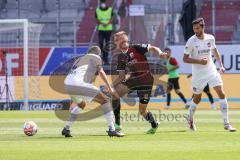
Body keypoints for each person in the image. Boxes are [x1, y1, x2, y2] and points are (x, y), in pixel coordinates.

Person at [183, 18, 236, 132]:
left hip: (211, 70)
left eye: (197, 28)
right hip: (198, 74)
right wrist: (199, 62)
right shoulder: (191, 41)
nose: (195, 30)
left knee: (221, 93)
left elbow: (215, 51)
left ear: (203, 27)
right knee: (197, 98)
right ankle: (190, 119)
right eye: (194, 28)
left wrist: (221, 65)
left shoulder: (210, 38)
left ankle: (227, 123)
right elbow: (185, 59)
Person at [110, 31, 166, 134]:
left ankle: (154, 124)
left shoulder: (135, 47)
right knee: (115, 95)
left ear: (126, 39)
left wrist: (160, 53)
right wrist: (111, 86)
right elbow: (121, 76)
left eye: (122, 38)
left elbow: (153, 48)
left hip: (146, 80)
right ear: (116, 43)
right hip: (133, 79)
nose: (121, 41)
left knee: (142, 111)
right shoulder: (121, 57)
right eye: (117, 40)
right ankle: (117, 125)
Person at [62, 46, 124, 137]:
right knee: (105, 100)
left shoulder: (80, 59)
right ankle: (112, 129)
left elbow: (82, 75)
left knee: (81, 104)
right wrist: (110, 88)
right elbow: (101, 72)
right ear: (98, 54)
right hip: (78, 83)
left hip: (68, 84)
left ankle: (66, 129)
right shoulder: (96, 57)